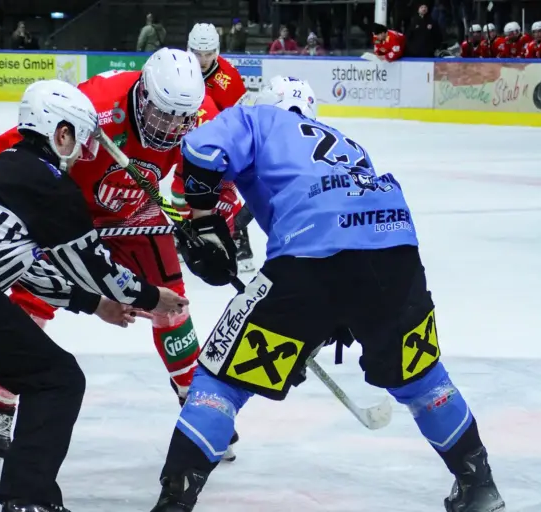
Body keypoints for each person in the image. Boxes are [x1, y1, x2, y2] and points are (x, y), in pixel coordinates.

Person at [148, 75, 506, 512]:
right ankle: (480, 486)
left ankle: (174, 504)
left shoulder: (261, 118)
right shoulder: (348, 144)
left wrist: (202, 223)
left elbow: (201, 148)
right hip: (395, 253)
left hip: (312, 254)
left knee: (220, 382)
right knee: (422, 376)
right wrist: (335, 313)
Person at [0, 80, 187, 512]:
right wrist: (154, 296)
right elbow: (95, 265)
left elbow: (29, 269)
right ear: (60, 132)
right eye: (79, 140)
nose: (83, 153)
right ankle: (28, 498)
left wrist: (94, 305)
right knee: (59, 378)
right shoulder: (47, 182)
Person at [0, 48, 243, 472]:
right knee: (34, 302)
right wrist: (13, 205)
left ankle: (198, 409)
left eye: (181, 118)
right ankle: (0, 400)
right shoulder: (98, 105)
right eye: (162, 116)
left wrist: (210, 226)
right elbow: (15, 148)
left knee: (170, 303)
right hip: (69, 215)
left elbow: (211, 181)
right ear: (142, 96)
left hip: (138, 216)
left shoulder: (199, 114)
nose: (172, 128)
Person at [179, 22, 254, 273]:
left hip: (217, 147)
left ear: (217, 50)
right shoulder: (179, 69)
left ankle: (240, 239)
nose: (202, 60)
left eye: (208, 54)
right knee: (181, 192)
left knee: (226, 195)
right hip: (186, 144)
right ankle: (187, 235)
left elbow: (241, 118)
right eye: (197, 54)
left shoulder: (228, 77)